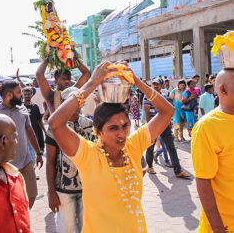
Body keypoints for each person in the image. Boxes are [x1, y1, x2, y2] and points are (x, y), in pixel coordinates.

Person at [48, 61, 176, 233]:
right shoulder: (88, 154)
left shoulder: (133, 146)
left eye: (125, 126)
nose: (122, 134)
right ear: (97, 132)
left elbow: (167, 111)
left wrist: (136, 81)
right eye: (113, 128)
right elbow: (55, 124)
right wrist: (91, 83)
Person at [0, 81, 43, 209]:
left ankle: (23, 219)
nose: (22, 95)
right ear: (9, 95)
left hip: (26, 163)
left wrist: (38, 153)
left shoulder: (22, 110)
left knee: (31, 195)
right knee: (7, 203)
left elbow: (30, 132)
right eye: (19, 92)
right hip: (3, 169)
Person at [191, 69, 234, 232]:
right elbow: (203, 181)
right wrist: (217, 227)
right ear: (223, 90)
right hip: (225, 223)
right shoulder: (207, 127)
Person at [46, 86, 93, 233]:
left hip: (88, 188)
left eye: (78, 103)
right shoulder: (55, 128)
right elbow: (50, 160)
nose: (75, 107)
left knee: (85, 228)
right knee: (66, 228)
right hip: (64, 190)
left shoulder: (89, 124)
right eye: (71, 103)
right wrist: (51, 192)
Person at [144, 78, 190, 177]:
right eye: (154, 84)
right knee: (150, 147)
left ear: (161, 85)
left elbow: (168, 110)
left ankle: (178, 171)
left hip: (164, 124)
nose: (155, 86)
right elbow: (147, 112)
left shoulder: (165, 95)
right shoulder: (147, 95)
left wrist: (169, 122)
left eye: (157, 84)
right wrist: (149, 126)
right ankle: (150, 166)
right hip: (153, 124)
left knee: (171, 147)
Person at [22, 87, 47, 165]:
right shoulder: (19, 107)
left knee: (32, 156)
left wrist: (45, 131)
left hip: (33, 136)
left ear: (31, 95)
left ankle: (32, 174)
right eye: (25, 94)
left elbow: (39, 120)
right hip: (22, 136)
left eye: (28, 94)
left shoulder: (35, 106)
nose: (26, 96)